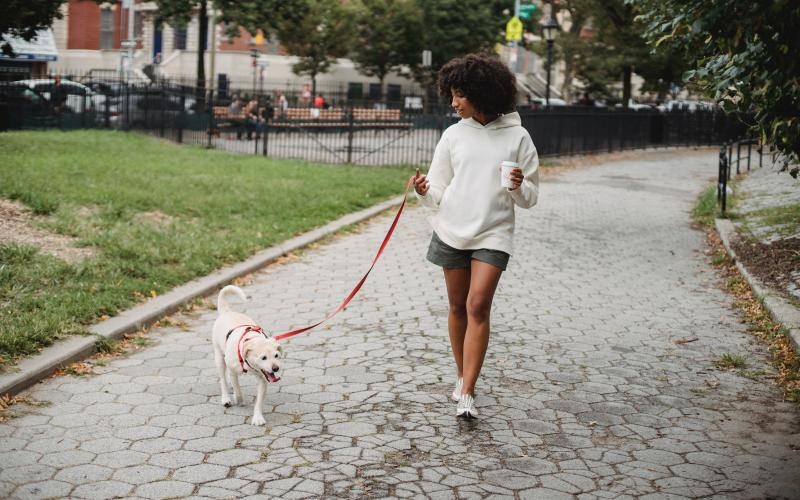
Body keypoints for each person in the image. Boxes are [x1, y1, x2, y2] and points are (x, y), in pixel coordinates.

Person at [411, 53, 539, 419]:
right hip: (451, 230)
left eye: (459, 95)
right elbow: (436, 189)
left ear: (481, 93)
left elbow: (531, 197)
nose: (453, 103)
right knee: (456, 308)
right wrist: (422, 190)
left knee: (477, 306)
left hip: (494, 233)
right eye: (450, 94)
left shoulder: (518, 137)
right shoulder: (453, 135)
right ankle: (461, 374)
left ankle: (467, 393)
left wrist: (518, 186)